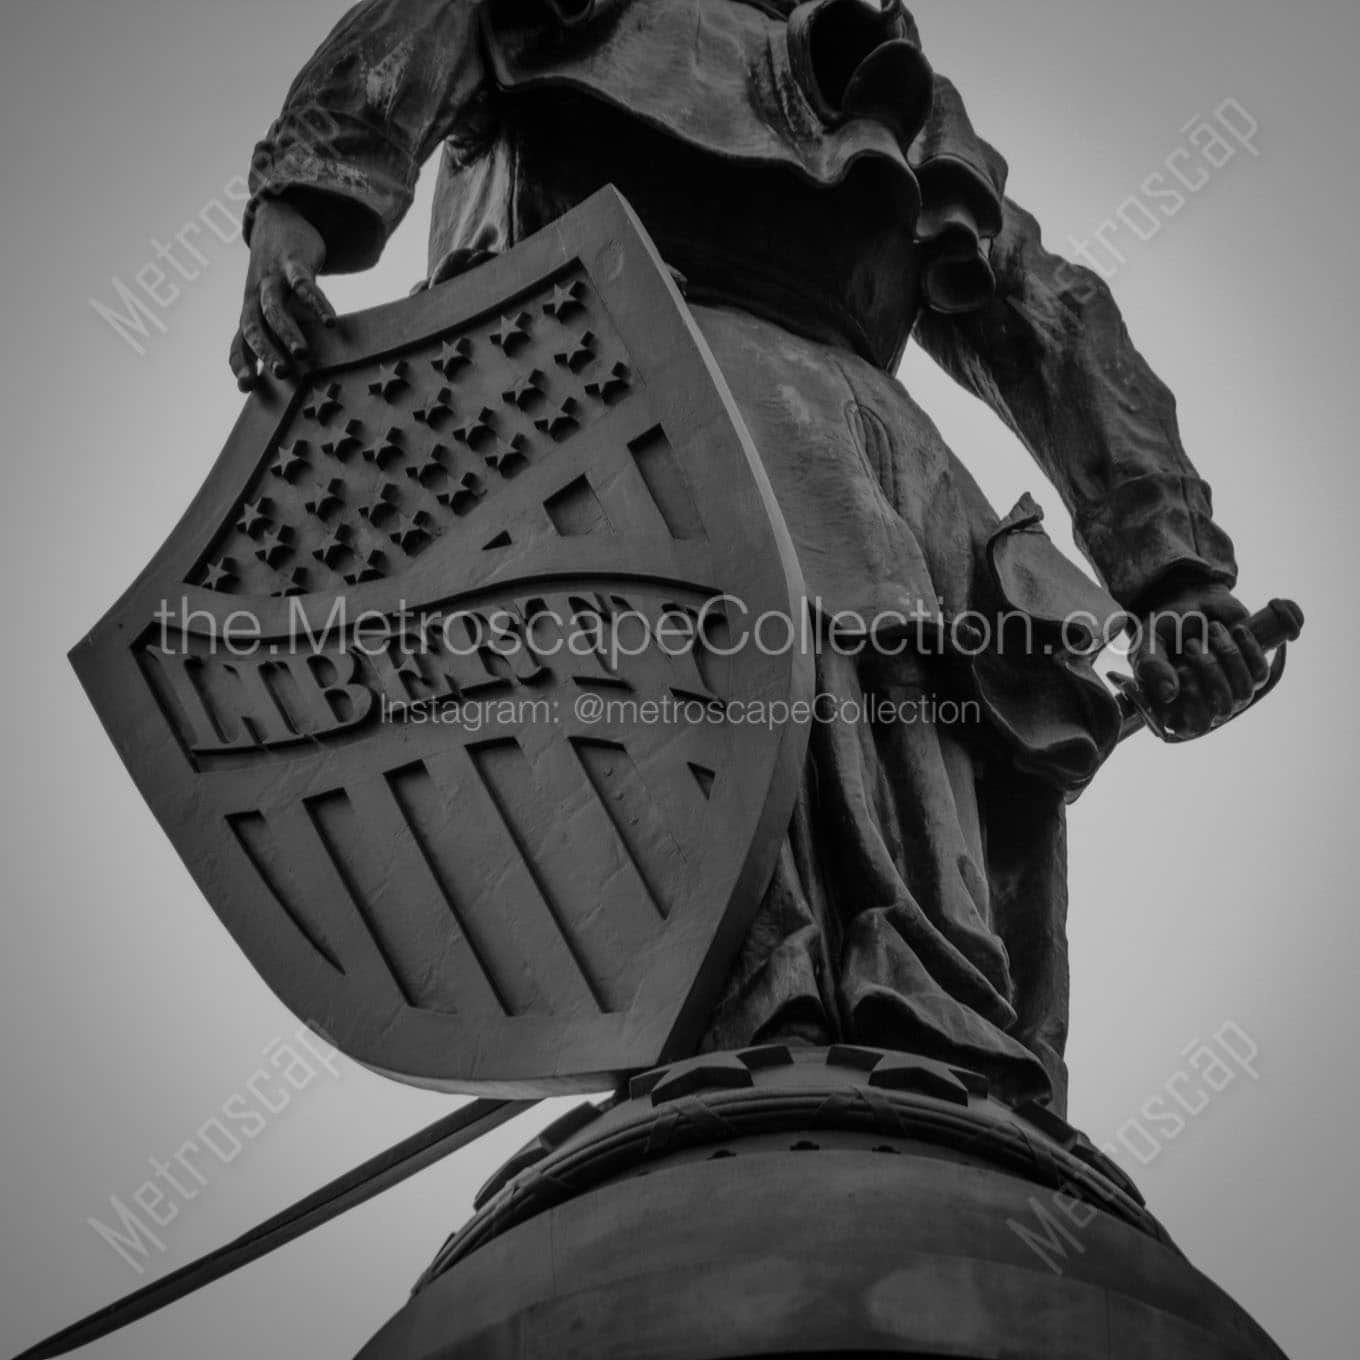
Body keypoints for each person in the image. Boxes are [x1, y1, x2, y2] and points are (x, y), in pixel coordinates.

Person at [232, 0, 1272, 1111]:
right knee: (699, 780)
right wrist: (297, 214)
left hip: (867, 463)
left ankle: (919, 1059)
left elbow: (1041, 312)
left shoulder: (873, 70)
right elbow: (407, 44)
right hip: (608, 414)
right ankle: (754, 1048)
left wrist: (1177, 581)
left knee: (918, 847)